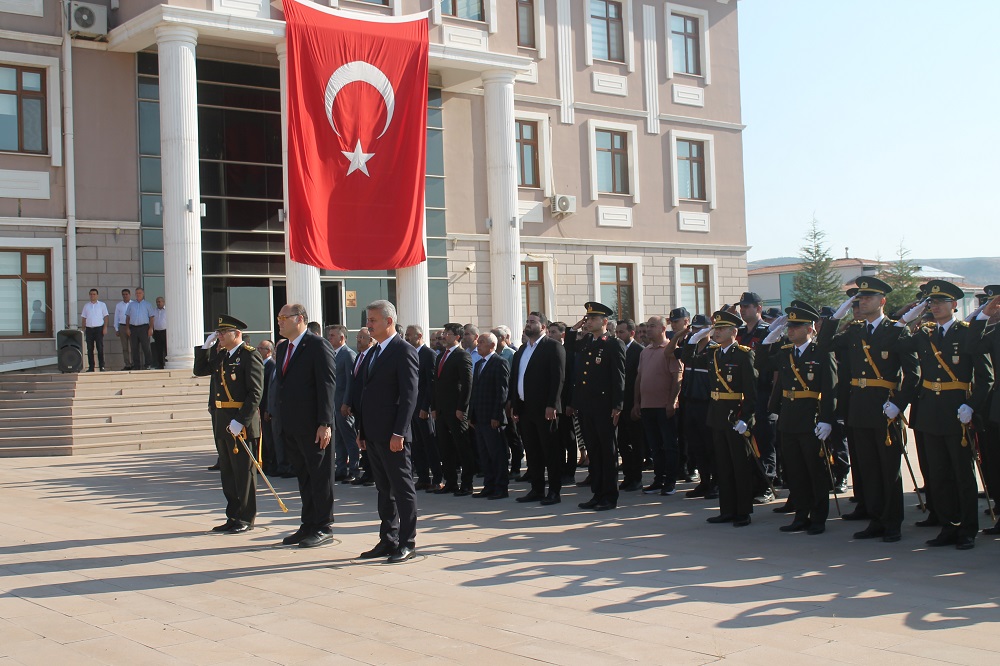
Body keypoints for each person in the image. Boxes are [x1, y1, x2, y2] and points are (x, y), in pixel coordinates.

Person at [816, 277, 919, 543]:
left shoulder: (896, 331)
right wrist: (837, 315)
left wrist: (898, 404)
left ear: (882, 301)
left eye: (869, 297)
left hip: (885, 408)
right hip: (859, 408)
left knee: (888, 469)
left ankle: (892, 523)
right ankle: (876, 519)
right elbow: (824, 345)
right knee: (869, 469)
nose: (863, 301)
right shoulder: (855, 330)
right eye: (860, 298)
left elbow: (913, 374)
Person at [893, 281, 993, 550]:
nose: (935, 307)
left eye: (940, 302)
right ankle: (949, 526)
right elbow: (894, 342)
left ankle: (968, 529)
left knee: (962, 473)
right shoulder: (925, 334)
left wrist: (972, 405)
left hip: (956, 411)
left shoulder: (967, 333)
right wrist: (906, 317)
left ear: (954, 305)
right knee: (938, 473)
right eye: (931, 303)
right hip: (930, 411)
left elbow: (986, 377)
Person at [759, 301, 836, 535]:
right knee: (795, 471)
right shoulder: (785, 353)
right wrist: (769, 336)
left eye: (796, 326)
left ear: (810, 329)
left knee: (815, 471)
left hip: (811, 420)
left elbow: (831, 389)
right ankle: (801, 515)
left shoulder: (821, 353)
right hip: (789, 419)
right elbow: (761, 363)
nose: (790, 330)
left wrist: (827, 419)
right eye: (789, 325)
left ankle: (819, 518)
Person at [355, 300, 419, 564]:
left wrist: (399, 432)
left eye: (373, 320)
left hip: (394, 435)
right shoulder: (372, 352)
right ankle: (388, 539)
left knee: (402, 489)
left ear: (388, 321)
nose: (368, 325)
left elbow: (409, 396)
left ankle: (407, 542)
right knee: (384, 490)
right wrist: (361, 431)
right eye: (368, 320)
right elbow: (365, 394)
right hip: (373, 433)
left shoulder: (403, 351)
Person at [682, 309, 758, 526]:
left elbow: (751, 393)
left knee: (739, 465)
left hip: (736, 417)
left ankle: (742, 511)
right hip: (716, 416)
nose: (717, 332)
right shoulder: (714, 354)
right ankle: (727, 510)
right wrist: (693, 339)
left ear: (734, 332)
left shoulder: (744, 354)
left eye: (722, 329)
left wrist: (747, 418)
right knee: (723, 465)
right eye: (716, 328)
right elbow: (688, 359)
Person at [273, 303, 337, 548]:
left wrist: (325, 423)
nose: (279, 321)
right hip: (292, 425)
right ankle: (308, 523)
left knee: (320, 476)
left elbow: (327, 386)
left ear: (299, 319)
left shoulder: (317, 345)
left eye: (283, 317)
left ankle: (323, 525)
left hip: (314, 426)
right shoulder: (285, 348)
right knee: (304, 477)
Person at [193, 314, 264, 535]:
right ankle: (233, 515)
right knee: (228, 473)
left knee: (243, 473)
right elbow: (200, 370)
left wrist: (241, 420)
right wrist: (205, 347)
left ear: (237, 334)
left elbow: (255, 393)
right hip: (222, 421)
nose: (220, 336)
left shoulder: (249, 356)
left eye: (224, 333)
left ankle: (246, 517)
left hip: (239, 423)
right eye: (219, 333)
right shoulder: (222, 355)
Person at [568, 302, 626, 511]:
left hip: (604, 406)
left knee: (607, 451)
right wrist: (575, 403)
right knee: (594, 450)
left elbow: (618, 377)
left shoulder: (613, 344)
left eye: (592, 318)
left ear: (604, 322)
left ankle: (610, 496)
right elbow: (577, 371)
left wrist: (617, 405)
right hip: (587, 405)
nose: (588, 321)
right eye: (587, 318)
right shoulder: (586, 344)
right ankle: (597, 493)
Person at [509, 312, 566, 505]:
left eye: (533, 322)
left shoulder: (552, 347)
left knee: (550, 450)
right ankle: (537, 489)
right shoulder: (522, 350)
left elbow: (558, 379)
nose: (528, 324)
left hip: (545, 409)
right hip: (525, 409)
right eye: (527, 321)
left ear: (543, 327)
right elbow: (516, 378)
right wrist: (515, 406)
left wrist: (552, 405)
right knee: (532, 452)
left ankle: (554, 491)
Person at [735, 292, 777, 504]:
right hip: (742, 395)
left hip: (762, 392)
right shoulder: (739, 333)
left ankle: (767, 485)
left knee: (763, 441)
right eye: (741, 306)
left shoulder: (767, 332)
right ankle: (751, 484)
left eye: (747, 306)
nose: (743, 310)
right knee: (746, 442)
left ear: (759, 308)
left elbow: (775, 367)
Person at [633, 316, 682, 495]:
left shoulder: (670, 350)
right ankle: (658, 479)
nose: (647, 330)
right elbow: (639, 378)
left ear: (663, 328)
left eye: (652, 326)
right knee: (655, 446)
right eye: (646, 326)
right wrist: (636, 402)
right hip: (647, 406)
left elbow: (677, 378)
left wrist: (672, 402)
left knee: (669, 445)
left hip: (664, 406)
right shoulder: (645, 351)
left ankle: (670, 482)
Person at [431, 322, 474, 495]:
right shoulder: (441, 355)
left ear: (457, 336)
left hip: (456, 410)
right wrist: (434, 406)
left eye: (447, 334)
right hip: (441, 410)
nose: (443, 336)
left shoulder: (462, 356)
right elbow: (436, 384)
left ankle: (467, 483)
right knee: (445, 447)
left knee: (462, 447)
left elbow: (467, 384)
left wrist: (462, 407)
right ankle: (450, 482)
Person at [469, 332, 511, 499]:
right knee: (484, 454)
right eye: (478, 342)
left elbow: (502, 392)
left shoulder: (499, 362)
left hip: (492, 418)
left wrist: (497, 416)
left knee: (497, 454)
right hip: (479, 417)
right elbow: (475, 391)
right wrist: (471, 416)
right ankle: (489, 485)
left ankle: (501, 487)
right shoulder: (479, 364)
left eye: (482, 343)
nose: (478, 345)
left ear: (492, 346)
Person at [405, 324, 442, 491]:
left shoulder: (429, 354)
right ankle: (423, 477)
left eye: (409, 335)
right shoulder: (408, 353)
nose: (406, 337)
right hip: (411, 407)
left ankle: (437, 477)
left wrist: (426, 406)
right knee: (416, 444)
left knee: (429, 443)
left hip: (422, 407)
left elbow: (431, 383)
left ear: (419, 336)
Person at [615, 319, 646, 493]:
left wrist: (637, 403)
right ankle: (627, 476)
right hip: (619, 404)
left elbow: (639, 380)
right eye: (617, 332)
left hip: (633, 403)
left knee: (636, 442)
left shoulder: (638, 351)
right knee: (623, 442)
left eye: (622, 332)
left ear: (632, 333)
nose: (618, 335)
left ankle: (637, 478)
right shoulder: (616, 348)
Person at [327, 325, 359, 483]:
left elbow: (350, 382)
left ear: (342, 338)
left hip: (342, 405)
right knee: (337, 439)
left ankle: (354, 469)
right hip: (333, 404)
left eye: (333, 335)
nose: (329, 338)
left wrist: (347, 403)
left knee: (349, 438)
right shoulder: (332, 354)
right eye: (329, 335)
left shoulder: (348, 355)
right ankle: (341, 469)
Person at [348, 327, 376, 486]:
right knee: (361, 440)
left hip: (368, 408)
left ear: (370, 340)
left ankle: (372, 473)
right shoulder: (359, 356)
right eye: (358, 337)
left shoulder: (372, 356)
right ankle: (366, 472)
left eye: (362, 338)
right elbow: (354, 383)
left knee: (368, 441)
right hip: (358, 407)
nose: (358, 340)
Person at [258, 339, 277, 474]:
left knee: (270, 439)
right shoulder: (260, 365)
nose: (258, 350)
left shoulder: (271, 365)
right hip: (260, 408)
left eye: (261, 349)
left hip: (267, 407)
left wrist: (267, 409)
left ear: (269, 351)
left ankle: (271, 464)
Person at [125, 287, 156, 371]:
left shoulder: (147, 304)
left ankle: (148, 364)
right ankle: (136, 365)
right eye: (137, 293)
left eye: (140, 293)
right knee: (134, 348)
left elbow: (151, 317)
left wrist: (150, 328)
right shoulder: (131, 305)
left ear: (143, 294)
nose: (138, 294)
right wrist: (127, 328)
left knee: (146, 347)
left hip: (144, 328)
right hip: (133, 328)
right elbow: (127, 317)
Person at [80, 288, 109, 372]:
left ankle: (102, 366)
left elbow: (106, 317)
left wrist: (105, 327)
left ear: (97, 295)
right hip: (89, 329)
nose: (92, 296)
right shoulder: (86, 306)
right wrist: (83, 329)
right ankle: (91, 367)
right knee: (90, 348)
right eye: (91, 294)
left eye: (94, 294)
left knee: (100, 348)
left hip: (99, 329)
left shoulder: (102, 305)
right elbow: (84, 318)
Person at [114, 288, 132, 370]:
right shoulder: (119, 305)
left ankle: (134, 363)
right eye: (123, 294)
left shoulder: (133, 304)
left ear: (129, 295)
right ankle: (127, 364)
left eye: (126, 294)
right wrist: (116, 329)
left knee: (133, 346)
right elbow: (116, 317)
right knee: (125, 347)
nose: (125, 296)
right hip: (122, 326)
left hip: (132, 327)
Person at [151, 296, 168, 369]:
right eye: (157, 302)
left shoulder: (167, 310)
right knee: (159, 349)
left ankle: (167, 363)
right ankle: (160, 364)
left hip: (165, 332)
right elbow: (152, 321)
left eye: (160, 301)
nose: (158, 303)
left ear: (163, 302)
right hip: (157, 332)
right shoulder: (154, 311)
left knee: (166, 349)